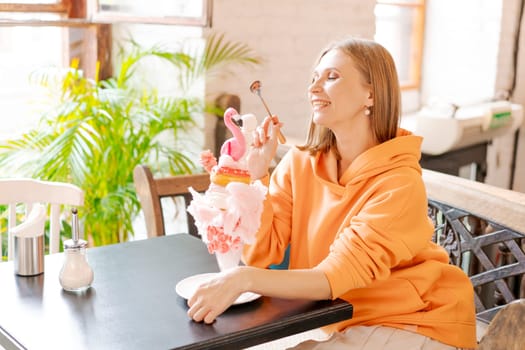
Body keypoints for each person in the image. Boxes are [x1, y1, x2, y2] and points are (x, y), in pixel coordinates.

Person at [187, 37, 477, 349]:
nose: (313, 88)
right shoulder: (300, 163)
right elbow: (260, 253)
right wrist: (257, 176)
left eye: (332, 77)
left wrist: (241, 279)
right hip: (341, 320)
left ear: (371, 94)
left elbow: (332, 277)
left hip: (417, 320)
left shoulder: (398, 183)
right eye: (314, 78)